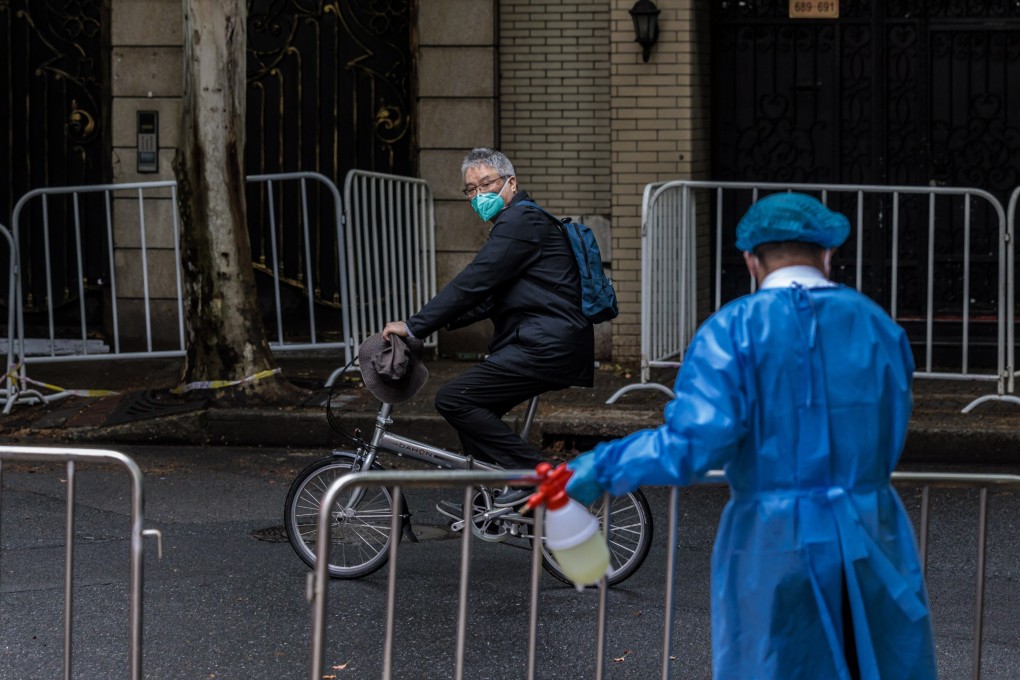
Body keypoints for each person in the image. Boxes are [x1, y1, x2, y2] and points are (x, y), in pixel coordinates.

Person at [566, 193, 938, 680]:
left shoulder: (732, 331)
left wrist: (598, 469)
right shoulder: (877, 327)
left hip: (773, 540)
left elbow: (690, 445)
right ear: (827, 254)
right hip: (873, 533)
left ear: (750, 260)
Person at [382, 147, 594, 507]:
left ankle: (536, 478)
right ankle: (496, 495)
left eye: (486, 184)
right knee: (475, 411)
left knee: (454, 399)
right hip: (546, 343)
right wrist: (430, 326)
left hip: (546, 346)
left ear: (510, 183)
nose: (479, 195)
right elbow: (486, 299)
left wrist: (415, 326)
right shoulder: (519, 224)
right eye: (471, 190)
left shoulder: (520, 222)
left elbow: (474, 282)